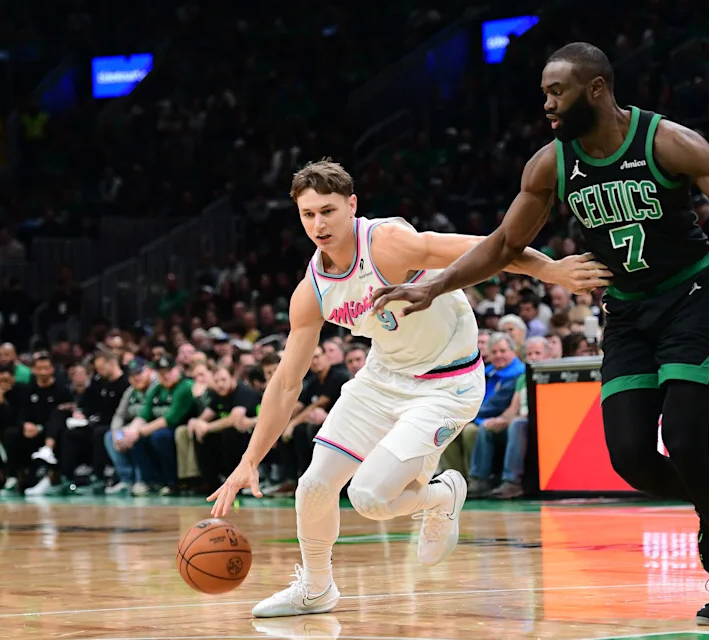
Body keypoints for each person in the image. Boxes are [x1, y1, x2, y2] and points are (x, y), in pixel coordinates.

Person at [372, 42, 709, 625]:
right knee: (632, 460)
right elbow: (504, 246)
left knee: (688, 443)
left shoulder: (667, 142)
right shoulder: (550, 164)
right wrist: (432, 287)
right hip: (626, 313)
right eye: (544, 93)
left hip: (690, 298)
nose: (546, 104)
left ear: (596, 89)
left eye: (556, 91)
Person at [207, 160, 608, 618]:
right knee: (314, 485)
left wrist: (550, 270)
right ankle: (317, 589)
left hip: (448, 383)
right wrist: (249, 460)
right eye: (308, 214)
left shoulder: (388, 244)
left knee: (370, 498)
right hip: (382, 379)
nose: (318, 224)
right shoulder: (313, 289)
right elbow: (285, 383)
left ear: (352, 206)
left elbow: (492, 247)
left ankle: (442, 495)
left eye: (328, 211)